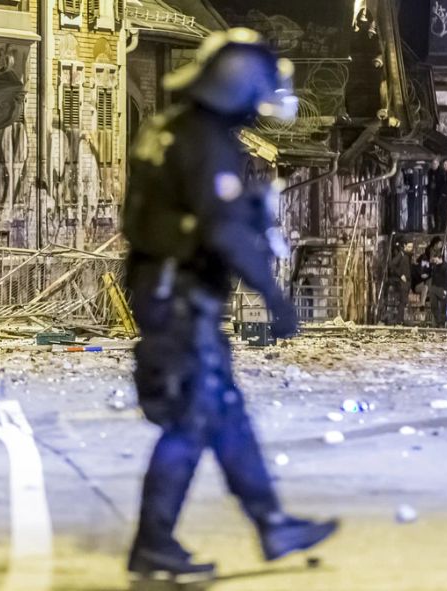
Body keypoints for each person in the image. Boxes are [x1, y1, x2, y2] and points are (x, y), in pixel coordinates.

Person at [122, 28, 337, 584]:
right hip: (182, 298)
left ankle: (272, 523)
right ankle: (153, 544)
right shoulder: (205, 140)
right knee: (193, 421)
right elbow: (222, 232)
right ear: (236, 89)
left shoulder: (163, 128)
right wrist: (274, 297)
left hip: (164, 289)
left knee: (227, 415)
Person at [387, 238, 413, 325]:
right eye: (409, 247)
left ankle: (400, 320)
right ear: (405, 246)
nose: (411, 248)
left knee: (403, 301)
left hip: (407, 281)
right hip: (403, 282)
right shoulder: (401, 254)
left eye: (411, 247)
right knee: (402, 301)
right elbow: (392, 265)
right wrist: (400, 275)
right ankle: (399, 320)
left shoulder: (407, 255)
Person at [429, 251, 447, 328]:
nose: (435, 261)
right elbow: (433, 278)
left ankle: (442, 323)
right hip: (434, 288)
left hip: (443, 289)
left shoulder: (446, 267)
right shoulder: (435, 266)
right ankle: (438, 321)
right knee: (434, 306)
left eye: (436, 260)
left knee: (443, 307)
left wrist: (445, 290)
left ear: (440, 258)